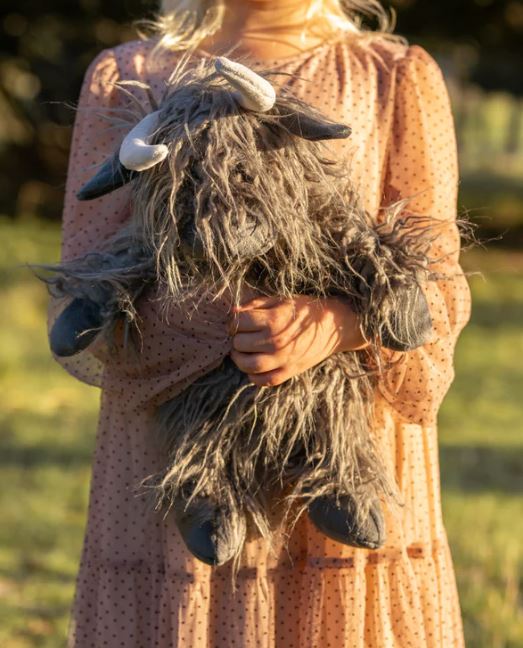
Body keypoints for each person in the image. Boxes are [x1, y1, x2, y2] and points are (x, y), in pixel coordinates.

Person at [52, 1, 472, 646]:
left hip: (344, 436)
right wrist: (216, 321)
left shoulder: (392, 75)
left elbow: (436, 270)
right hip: (176, 455)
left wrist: (338, 323)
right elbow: (86, 272)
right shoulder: (129, 74)